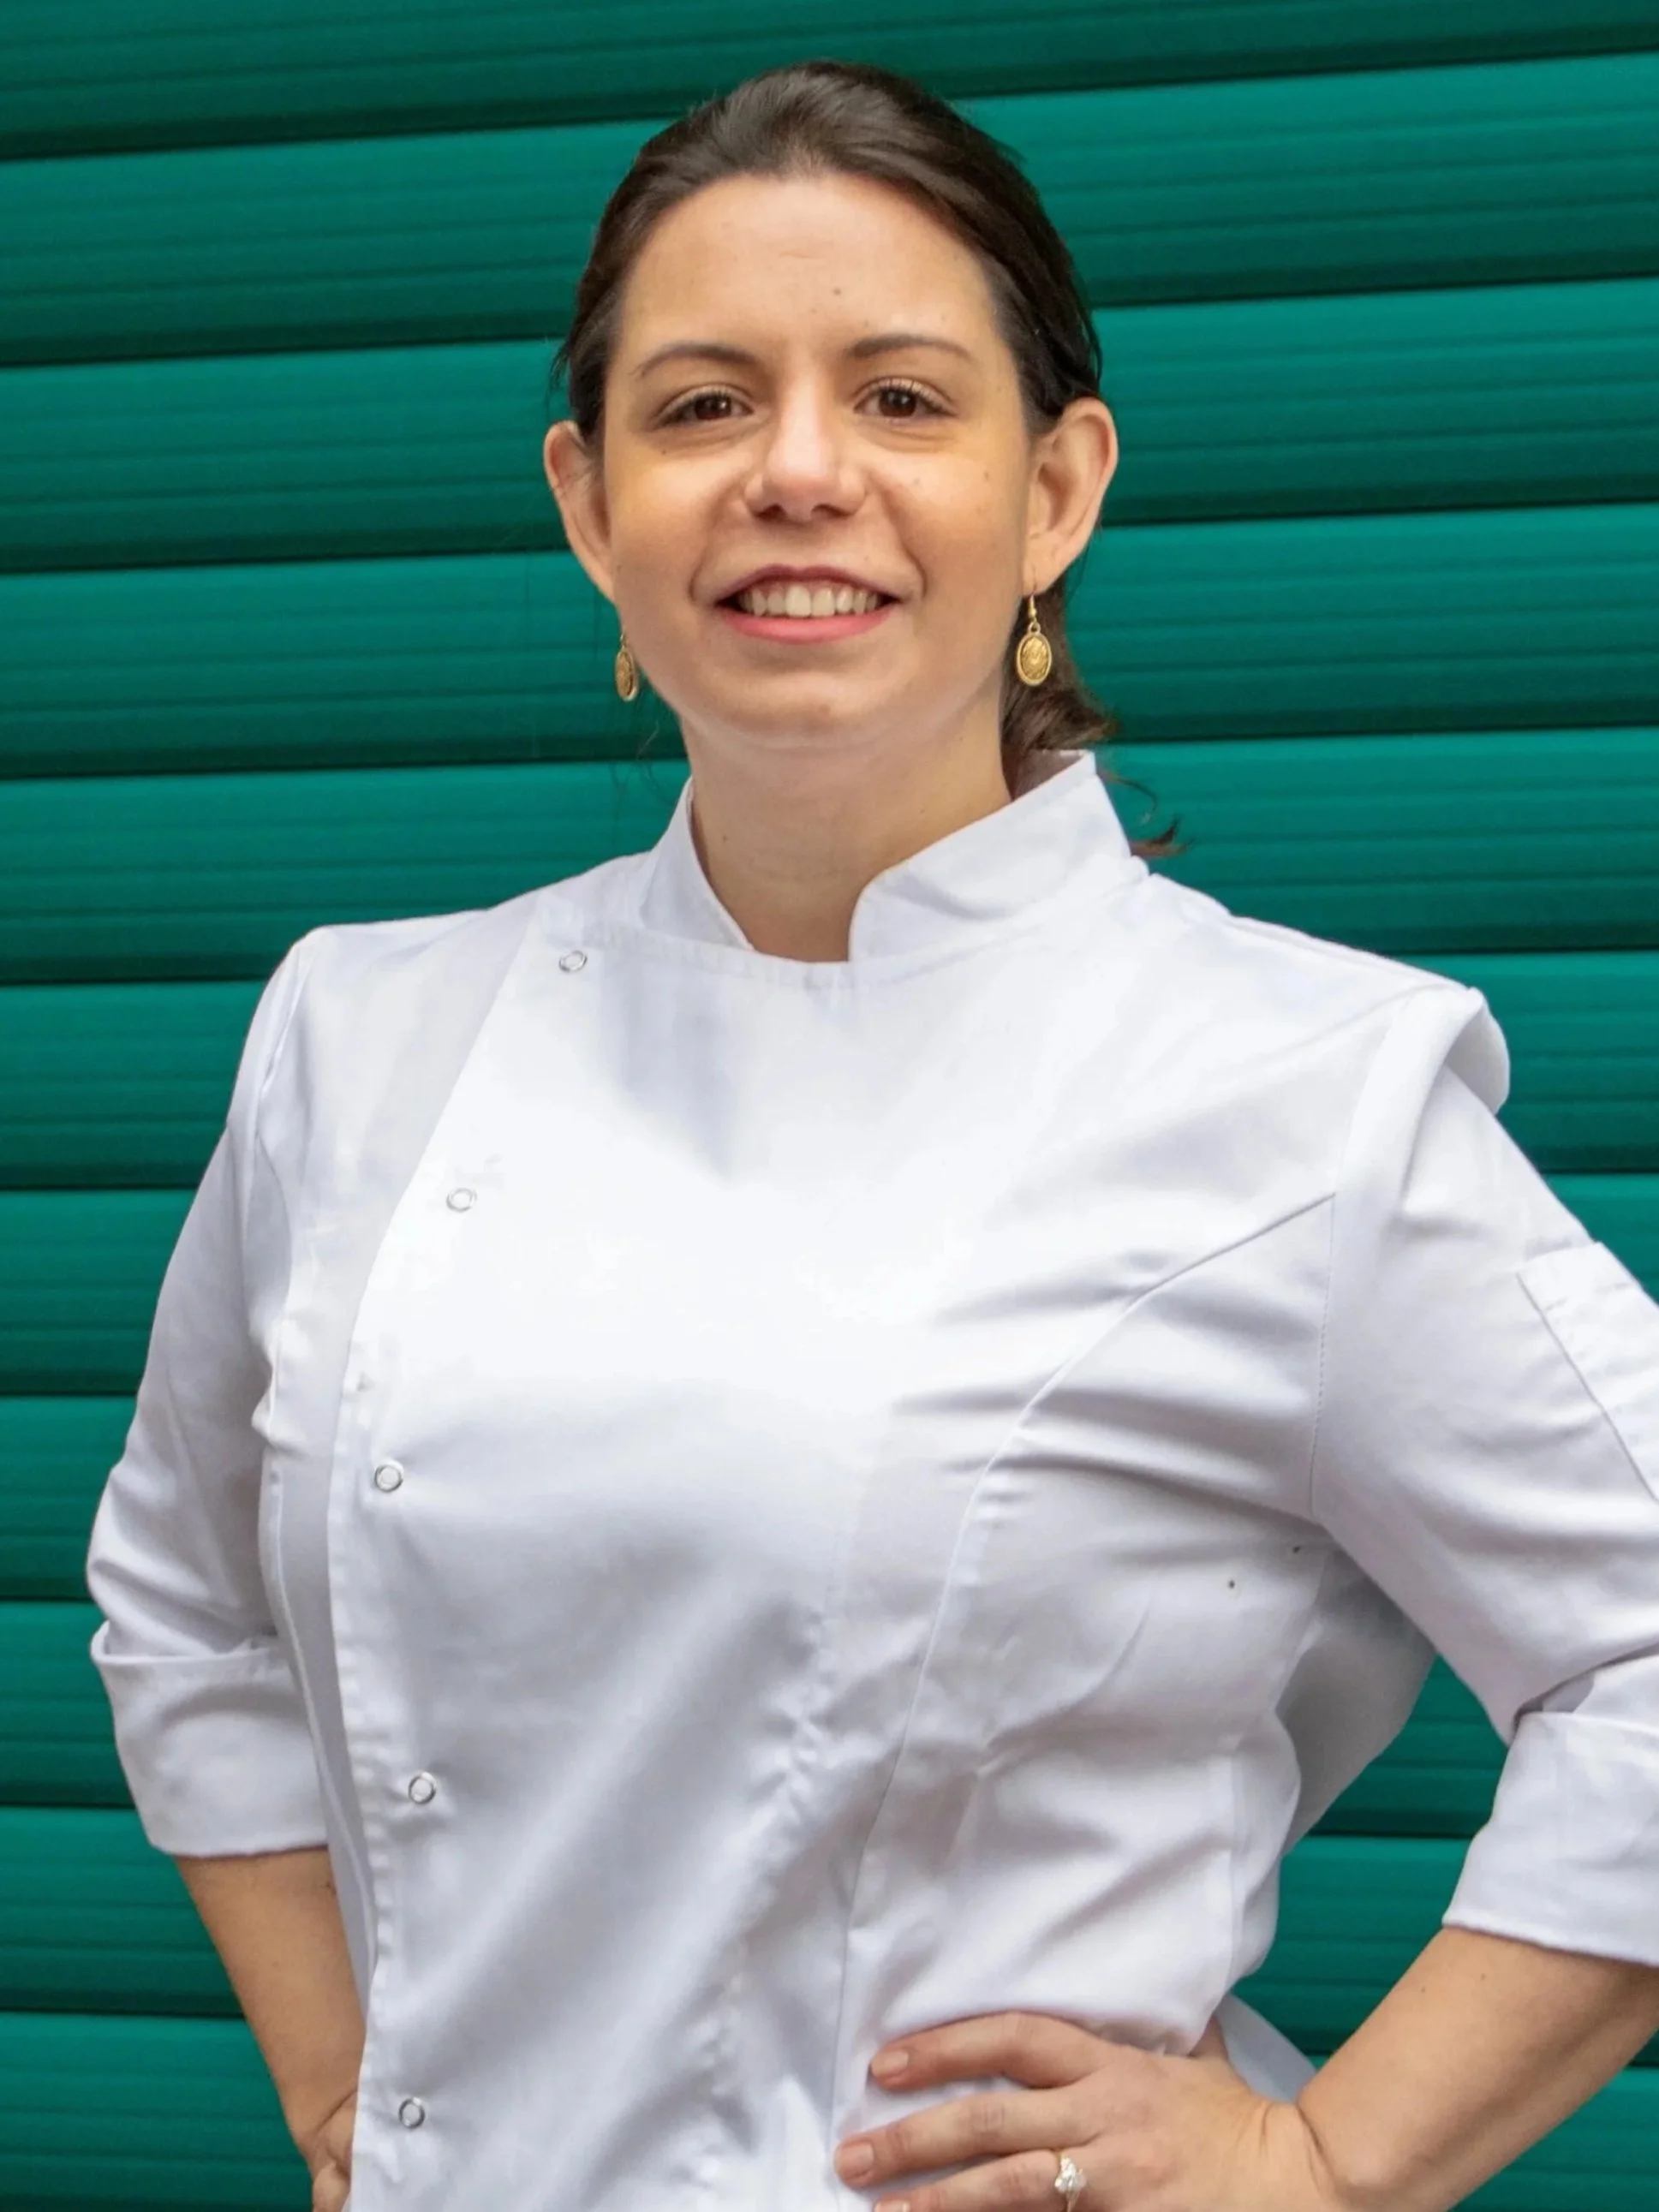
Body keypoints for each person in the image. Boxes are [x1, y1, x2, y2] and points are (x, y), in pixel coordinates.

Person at [85, 57, 1659, 2212]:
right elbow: (184, 1605)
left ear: (1055, 492)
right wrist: (351, 2082)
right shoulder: (362, 1036)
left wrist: (1323, 2163)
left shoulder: (1293, 1092)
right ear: (588, 504)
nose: (798, 472)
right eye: (703, 405)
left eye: (902, 399)